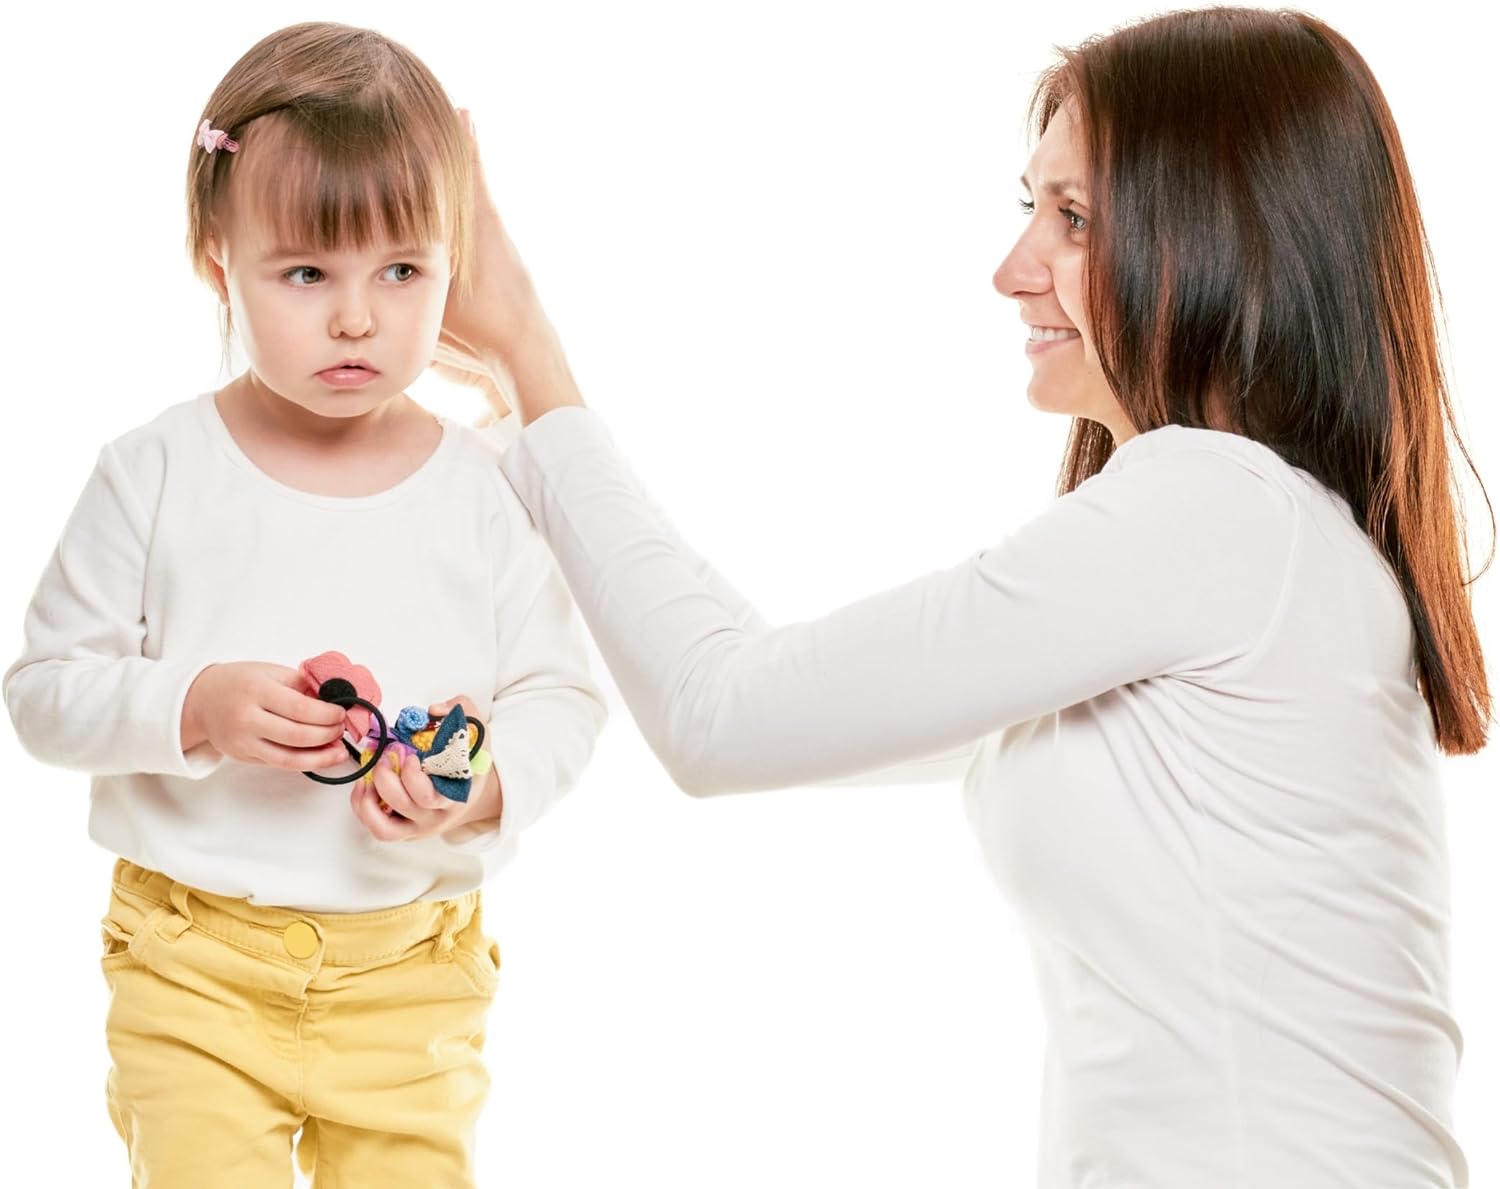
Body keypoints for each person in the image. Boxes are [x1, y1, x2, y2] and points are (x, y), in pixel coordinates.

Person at [434, 6, 1491, 1187]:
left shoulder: (1218, 509)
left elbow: (718, 714)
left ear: (1220, 236)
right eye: (1031, 206)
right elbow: (753, 678)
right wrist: (529, 398)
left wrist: (529, 348)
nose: (1013, 269)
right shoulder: (1253, 545)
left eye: (1074, 217)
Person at [3, 21, 606, 1189]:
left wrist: (480, 783)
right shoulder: (153, 470)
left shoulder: (484, 485)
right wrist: (194, 706)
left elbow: (559, 696)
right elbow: (41, 694)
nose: (356, 318)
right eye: (305, 273)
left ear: (450, 263)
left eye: (403, 270)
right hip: (192, 970)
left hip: (411, 980)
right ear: (217, 258)